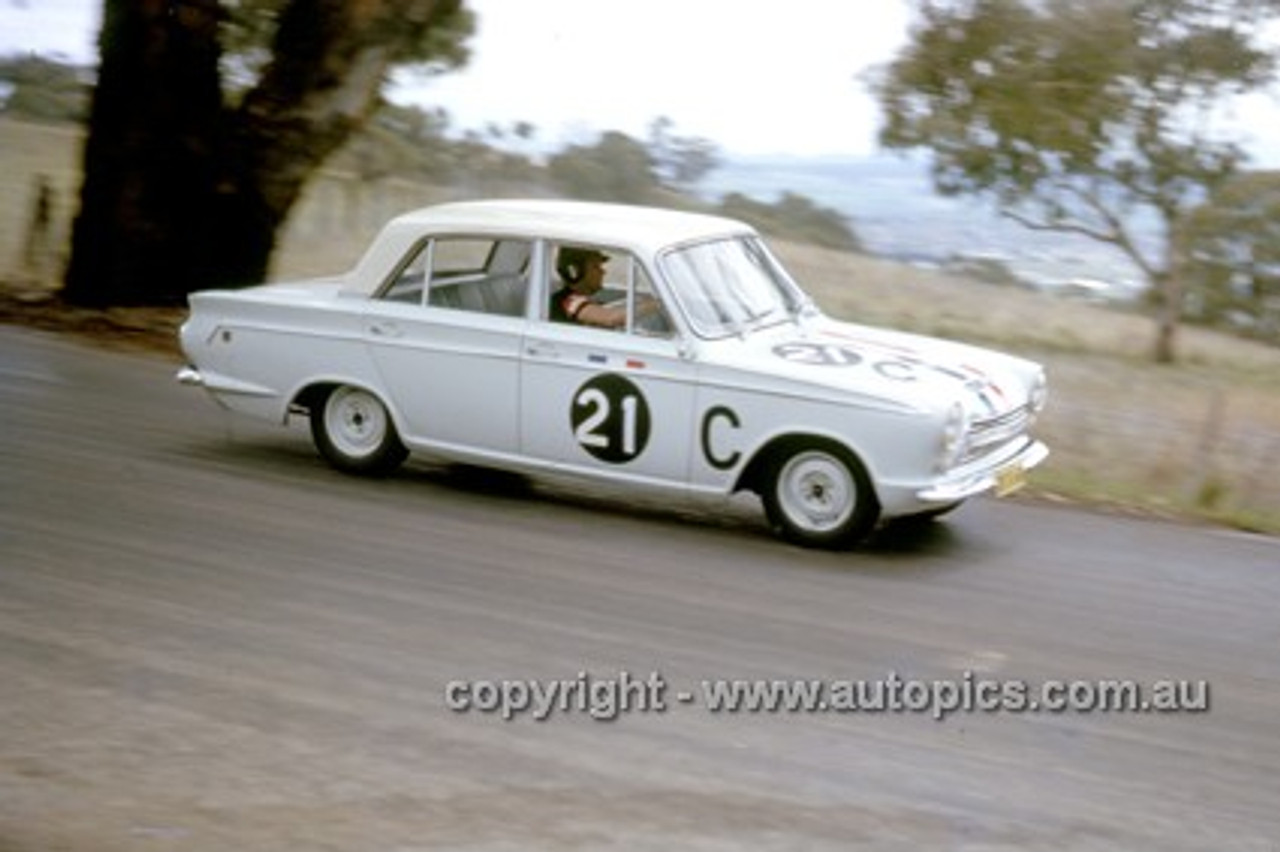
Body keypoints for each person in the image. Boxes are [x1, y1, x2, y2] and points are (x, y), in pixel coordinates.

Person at [550, 246, 628, 328]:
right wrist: (641, 309)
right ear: (576, 272)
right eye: (596, 267)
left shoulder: (581, 301)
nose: (603, 272)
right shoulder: (570, 302)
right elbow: (612, 319)